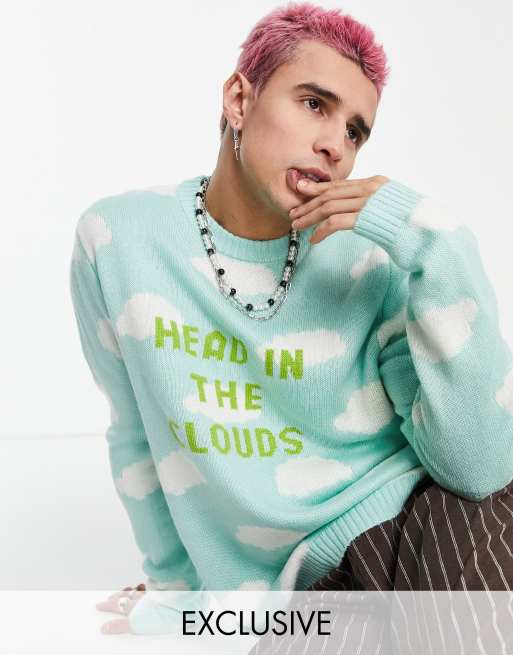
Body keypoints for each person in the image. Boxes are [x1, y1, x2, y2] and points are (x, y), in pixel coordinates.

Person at [69, 1, 513, 638]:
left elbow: (479, 470)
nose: (335, 144)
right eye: (313, 104)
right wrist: (175, 595)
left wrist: (440, 244)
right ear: (239, 100)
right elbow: (135, 431)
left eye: (355, 131)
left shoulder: (374, 260)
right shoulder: (117, 241)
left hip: (422, 523)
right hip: (303, 595)